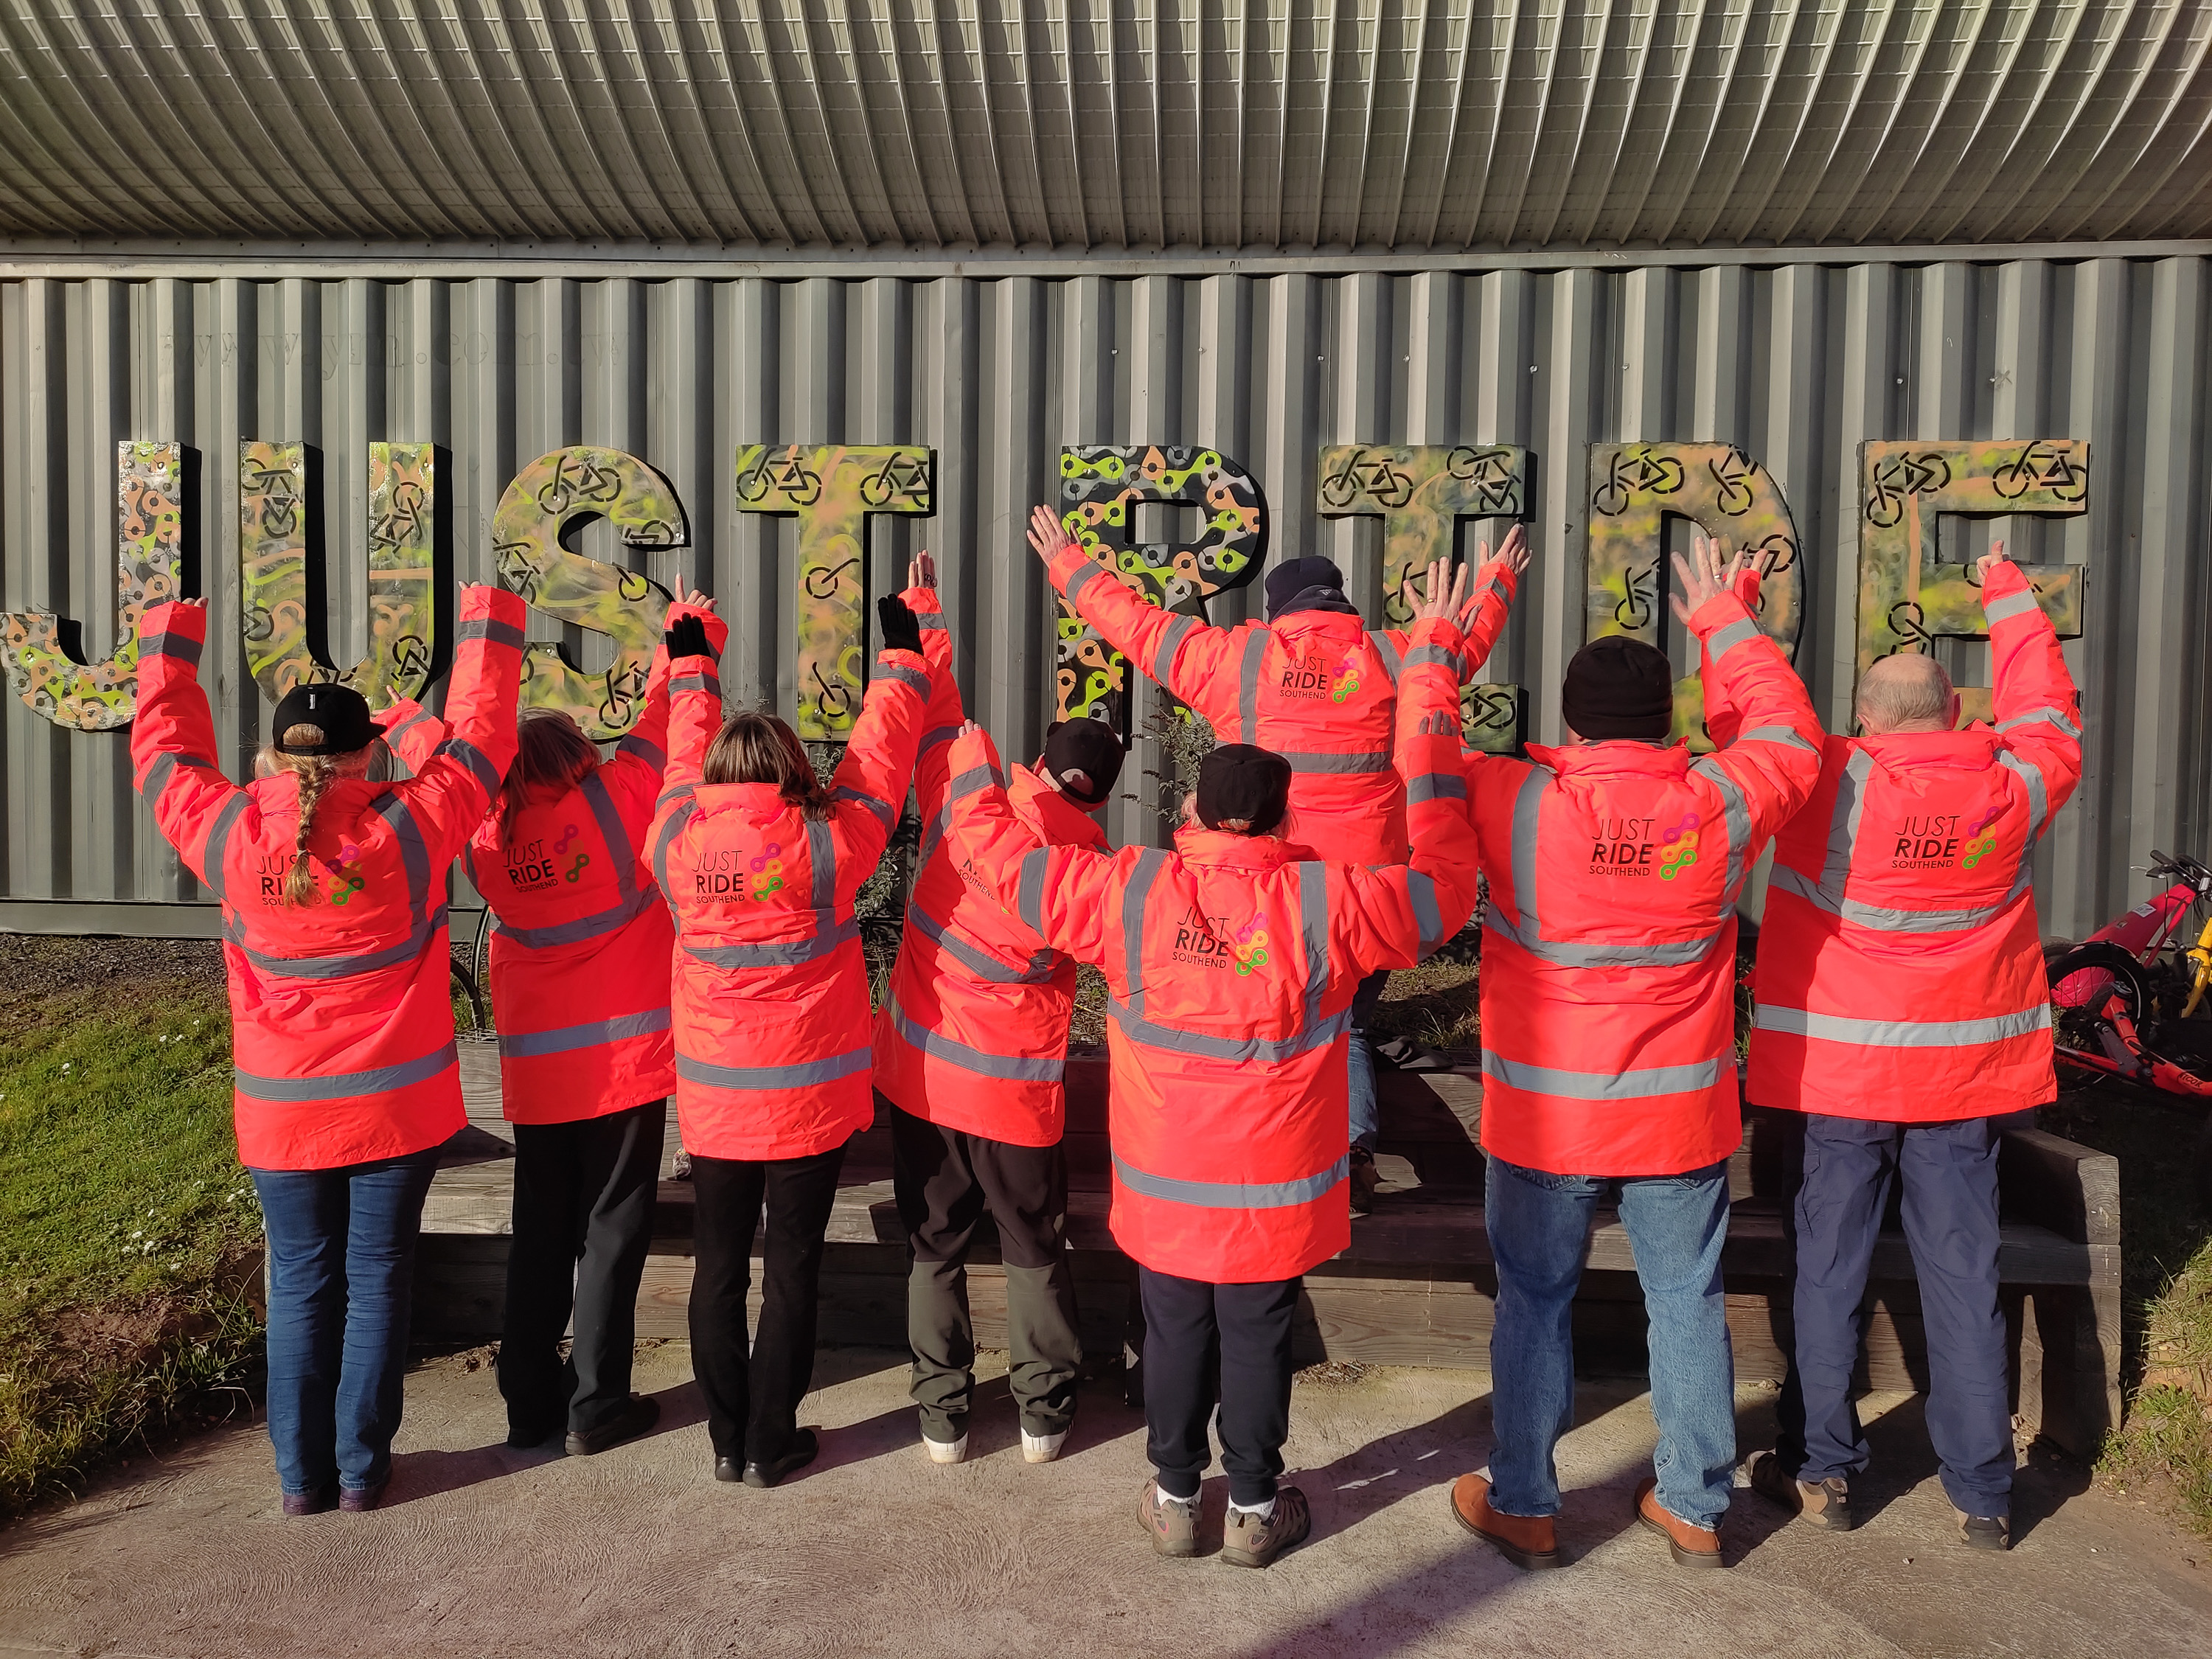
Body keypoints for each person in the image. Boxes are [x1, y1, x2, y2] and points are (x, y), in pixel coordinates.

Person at [947, 560, 1483, 1570]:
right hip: (1274, 1191)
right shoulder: (1333, 904)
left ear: (1192, 809)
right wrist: (1432, 737)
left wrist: (970, 769)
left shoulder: (1132, 893)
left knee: (1175, 1327)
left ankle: (1173, 1499)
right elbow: (1448, 885)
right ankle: (1255, 1507)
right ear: (1284, 820)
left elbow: (1005, 867)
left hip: (1166, 1185)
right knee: (1259, 1333)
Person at [1444, 537, 1825, 1571]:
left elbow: (1413, 754)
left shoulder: (1511, 796)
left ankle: (1525, 1502)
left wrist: (1450, 636)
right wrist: (1726, 622)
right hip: (1678, 1118)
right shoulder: (1722, 799)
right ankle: (1695, 1506)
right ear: (1668, 720)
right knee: (1686, 1300)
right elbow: (1791, 735)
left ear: (1569, 722)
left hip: (1545, 1118)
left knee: (1534, 1302)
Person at [130, 585, 526, 1515]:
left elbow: (163, 757)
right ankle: (359, 1472)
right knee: (378, 1282)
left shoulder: (227, 832)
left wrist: (168, 639)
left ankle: (299, 1480)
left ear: (273, 757)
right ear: (371, 754)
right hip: (396, 1108)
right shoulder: (410, 827)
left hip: (283, 1116)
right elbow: (481, 742)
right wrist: (489, 624)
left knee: (302, 1286)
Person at [1029, 505, 1530, 1211]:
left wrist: (1068, 565)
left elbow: (1136, 627)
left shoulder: (1237, 660)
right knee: (1343, 1019)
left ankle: (1267, 1154)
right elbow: (1453, 651)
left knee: (1268, 1015)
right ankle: (1348, 1155)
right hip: (1361, 894)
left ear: (1278, 613)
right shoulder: (1391, 658)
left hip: (1257, 883)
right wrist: (1498, 583)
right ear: (1341, 606)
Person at [1745, 544, 2082, 1552]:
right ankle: (1983, 1493)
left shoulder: (1823, 784)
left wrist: (1736, 610)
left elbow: (1754, 726)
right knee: (1964, 1275)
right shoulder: (2012, 786)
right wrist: (2010, 596)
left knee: (1829, 1270)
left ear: (1865, 720)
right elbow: (2049, 715)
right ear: (1955, 710)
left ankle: (1823, 1472)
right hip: (1962, 1085)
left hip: (1843, 1082)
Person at [387, 591, 726, 1457]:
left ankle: (527, 1400)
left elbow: (452, 768)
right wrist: (689, 646)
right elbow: (673, 730)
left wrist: (406, 725)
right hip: (628, 1063)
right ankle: (597, 1403)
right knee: (612, 1231)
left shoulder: (485, 829)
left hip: (539, 1073)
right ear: (580, 758)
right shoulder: (621, 800)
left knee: (542, 1233)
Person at [650, 594, 945, 1489]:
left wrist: (691, 664)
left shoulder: (673, 839)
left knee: (716, 1272)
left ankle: (726, 1438)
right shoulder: (826, 841)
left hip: (715, 1101)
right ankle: (771, 1440)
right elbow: (877, 763)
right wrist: (902, 659)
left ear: (713, 774)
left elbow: (677, 756)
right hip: (807, 1101)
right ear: (790, 769)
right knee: (791, 1269)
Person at [869, 554, 1126, 1467]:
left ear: (1041, 763)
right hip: (1015, 1099)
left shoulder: (967, 806)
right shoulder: (1093, 876)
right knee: (1032, 1247)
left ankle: (940, 1418)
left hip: (923, 1080)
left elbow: (937, 716)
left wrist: (923, 610)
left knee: (932, 1246)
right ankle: (1042, 1418)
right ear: (1102, 795)